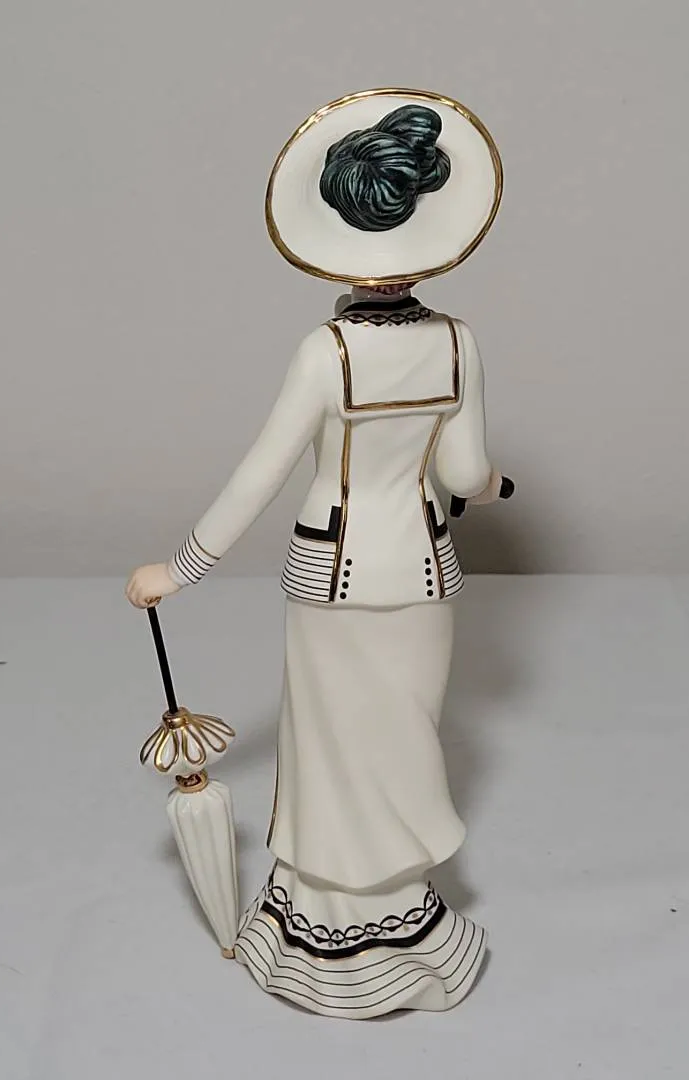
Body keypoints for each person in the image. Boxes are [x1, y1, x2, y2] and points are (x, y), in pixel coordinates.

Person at [126, 89, 506, 1020]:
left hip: (334, 576)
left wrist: (180, 570)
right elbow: (467, 472)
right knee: (406, 737)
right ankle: (402, 911)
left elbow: (258, 475)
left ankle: (336, 918)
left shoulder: (325, 353)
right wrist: (495, 489)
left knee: (335, 742)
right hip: (424, 572)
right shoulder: (458, 343)